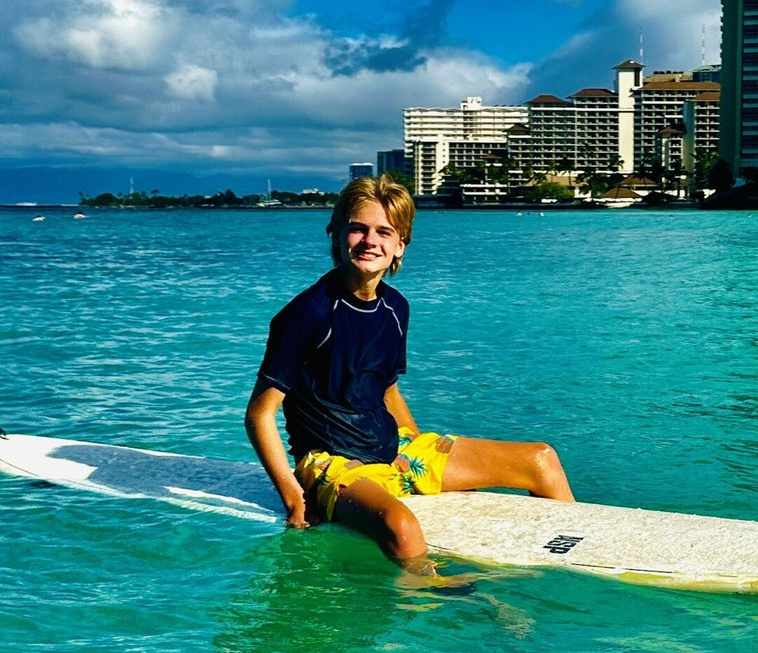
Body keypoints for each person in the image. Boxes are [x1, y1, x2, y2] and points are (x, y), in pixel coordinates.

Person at [244, 174, 574, 575]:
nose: (370, 241)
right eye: (358, 229)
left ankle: (570, 567)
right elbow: (260, 415)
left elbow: (386, 390)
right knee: (401, 526)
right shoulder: (307, 314)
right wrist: (292, 495)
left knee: (541, 460)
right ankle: (432, 599)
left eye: (384, 232)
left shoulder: (395, 308)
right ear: (336, 235)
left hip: (393, 450)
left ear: (400, 245)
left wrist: (419, 453)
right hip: (330, 462)